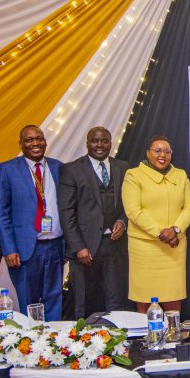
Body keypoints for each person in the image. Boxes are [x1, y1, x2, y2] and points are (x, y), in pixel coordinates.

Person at [0, 125, 64, 321]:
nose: (35, 143)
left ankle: (53, 342)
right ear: (21, 144)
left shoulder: (59, 167)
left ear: (45, 141)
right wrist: (8, 248)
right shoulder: (7, 169)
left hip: (55, 245)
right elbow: (2, 212)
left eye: (39, 138)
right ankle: (32, 344)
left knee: (54, 296)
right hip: (25, 249)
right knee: (29, 300)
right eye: (29, 140)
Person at [58, 127, 129, 318]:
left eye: (104, 141)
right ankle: (85, 343)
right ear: (87, 142)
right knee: (84, 301)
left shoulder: (123, 167)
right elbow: (67, 212)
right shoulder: (71, 169)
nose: (100, 145)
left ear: (110, 143)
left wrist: (123, 221)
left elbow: (130, 204)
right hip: (85, 249)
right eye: (95, 141)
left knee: (116, 301)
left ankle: (116, 341)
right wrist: (78, 246)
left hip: (115, 246)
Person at [121, 136, 190, 313]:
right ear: (148, 153)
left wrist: (175, 230)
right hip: (145, 249)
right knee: (145, 301)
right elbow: (133, 211)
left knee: (173, 300)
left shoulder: (181, 175)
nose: (163, 155)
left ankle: (172, 337)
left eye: (167, 151)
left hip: (174, 247)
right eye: (157, 151)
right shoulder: (133, 175)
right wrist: (162, 233)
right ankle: (147, 338)